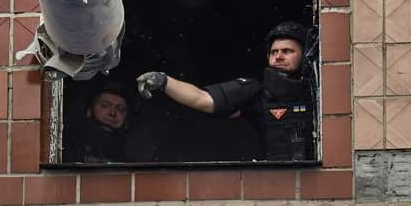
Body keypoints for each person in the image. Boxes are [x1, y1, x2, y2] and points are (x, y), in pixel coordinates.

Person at [135, 22, 315, 161]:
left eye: (287, 51)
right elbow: (202, 99)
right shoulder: (256, 93)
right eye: (274, 52)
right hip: (279, 183)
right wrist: (164, 81)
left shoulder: (320, 91)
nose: (278, 56)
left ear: (305, 54)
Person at [64, 83, 132, 163]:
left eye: (120, 109)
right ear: (89, 110)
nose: (113, 113)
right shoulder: (71, 139)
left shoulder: (130, 147)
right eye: (105, 105)